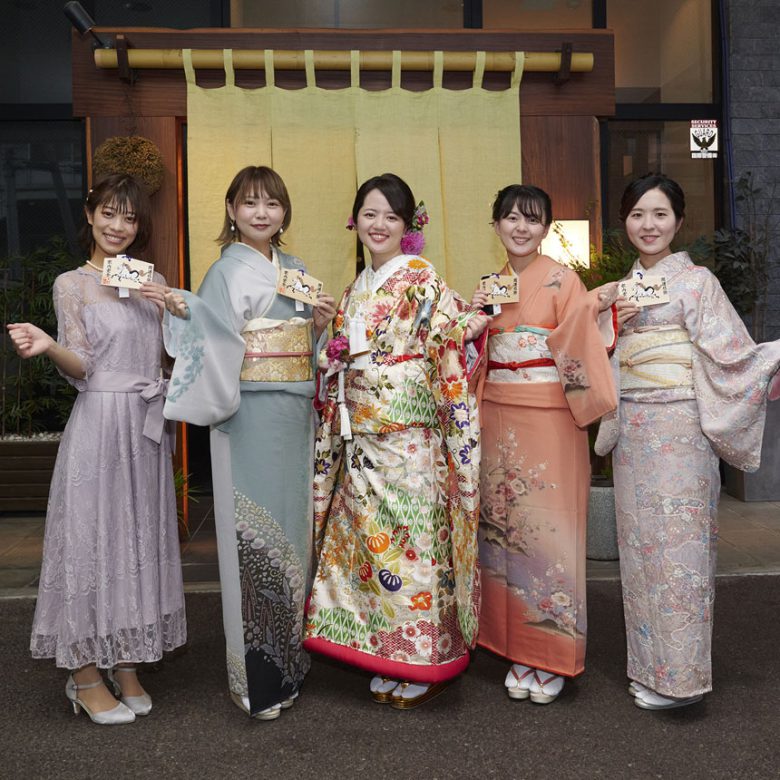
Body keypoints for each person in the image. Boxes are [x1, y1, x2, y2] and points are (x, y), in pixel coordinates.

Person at [303, 173, 488, 709]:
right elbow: (335, 356)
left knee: (414, 551)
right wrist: (330, 347)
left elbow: (449, 336)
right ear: (354, 220)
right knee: (371, 548)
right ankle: (383, 649)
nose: (378, 224)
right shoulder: (356, 287)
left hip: (408, 440)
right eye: (369, 213)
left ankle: (423, 658)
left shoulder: (420, 278)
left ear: (409, 227)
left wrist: (472, 320)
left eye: (391, 215)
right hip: (359, 436)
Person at [595, 173, 780, 710]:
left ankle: (682, 679)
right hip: (632, 429)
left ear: (678, 222)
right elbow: (594, 356)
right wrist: (608, 327)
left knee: (682, 553)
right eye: (636, 215)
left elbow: (732, 355)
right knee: (640, 553)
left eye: (659, 214)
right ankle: (650, 668)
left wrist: (770, 358)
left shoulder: (698, 282)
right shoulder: (619, 289)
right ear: (624, 222)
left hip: (681, 428)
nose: (647, 225)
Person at [7, 173, 185, 725]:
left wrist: (179, 313)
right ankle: (84, 673)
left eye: (129, 218)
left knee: (136, 541)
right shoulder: (71, 284)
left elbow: (172, 361)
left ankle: (126, 663)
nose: (118, 226)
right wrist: (50, 345)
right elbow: (84, 368)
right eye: (109, 213)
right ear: (89, 215)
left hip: (147, 427)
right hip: (100, 424)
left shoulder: (152, 280)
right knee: (91, 540)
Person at [162, 165, 335, 719]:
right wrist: (187, 308)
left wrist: (324, 324)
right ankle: (256, 680)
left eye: (272, 204)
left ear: (284, 212)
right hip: (247, 410)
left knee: (294, 532)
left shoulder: (297, 268)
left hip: (294, 411)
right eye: (250, 203)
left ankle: (290, 662)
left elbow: (311, 342)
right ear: (232, 211)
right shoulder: (224, 272)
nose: (262, 213)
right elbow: (210, 335)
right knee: (252, 535)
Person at [470, 184, 616, 705]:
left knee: (548, 528)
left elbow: (581, 335)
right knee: (502, 531)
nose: (520, 227)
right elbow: (475, 346)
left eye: (532, 219)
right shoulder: (491, 284)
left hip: (551, 415)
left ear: (547, 227)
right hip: (495, 413)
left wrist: (598, 302)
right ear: (495, 225)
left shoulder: (563, 278)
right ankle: (513, 648)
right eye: (510, 217)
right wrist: (474, 323)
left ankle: (549, 656)